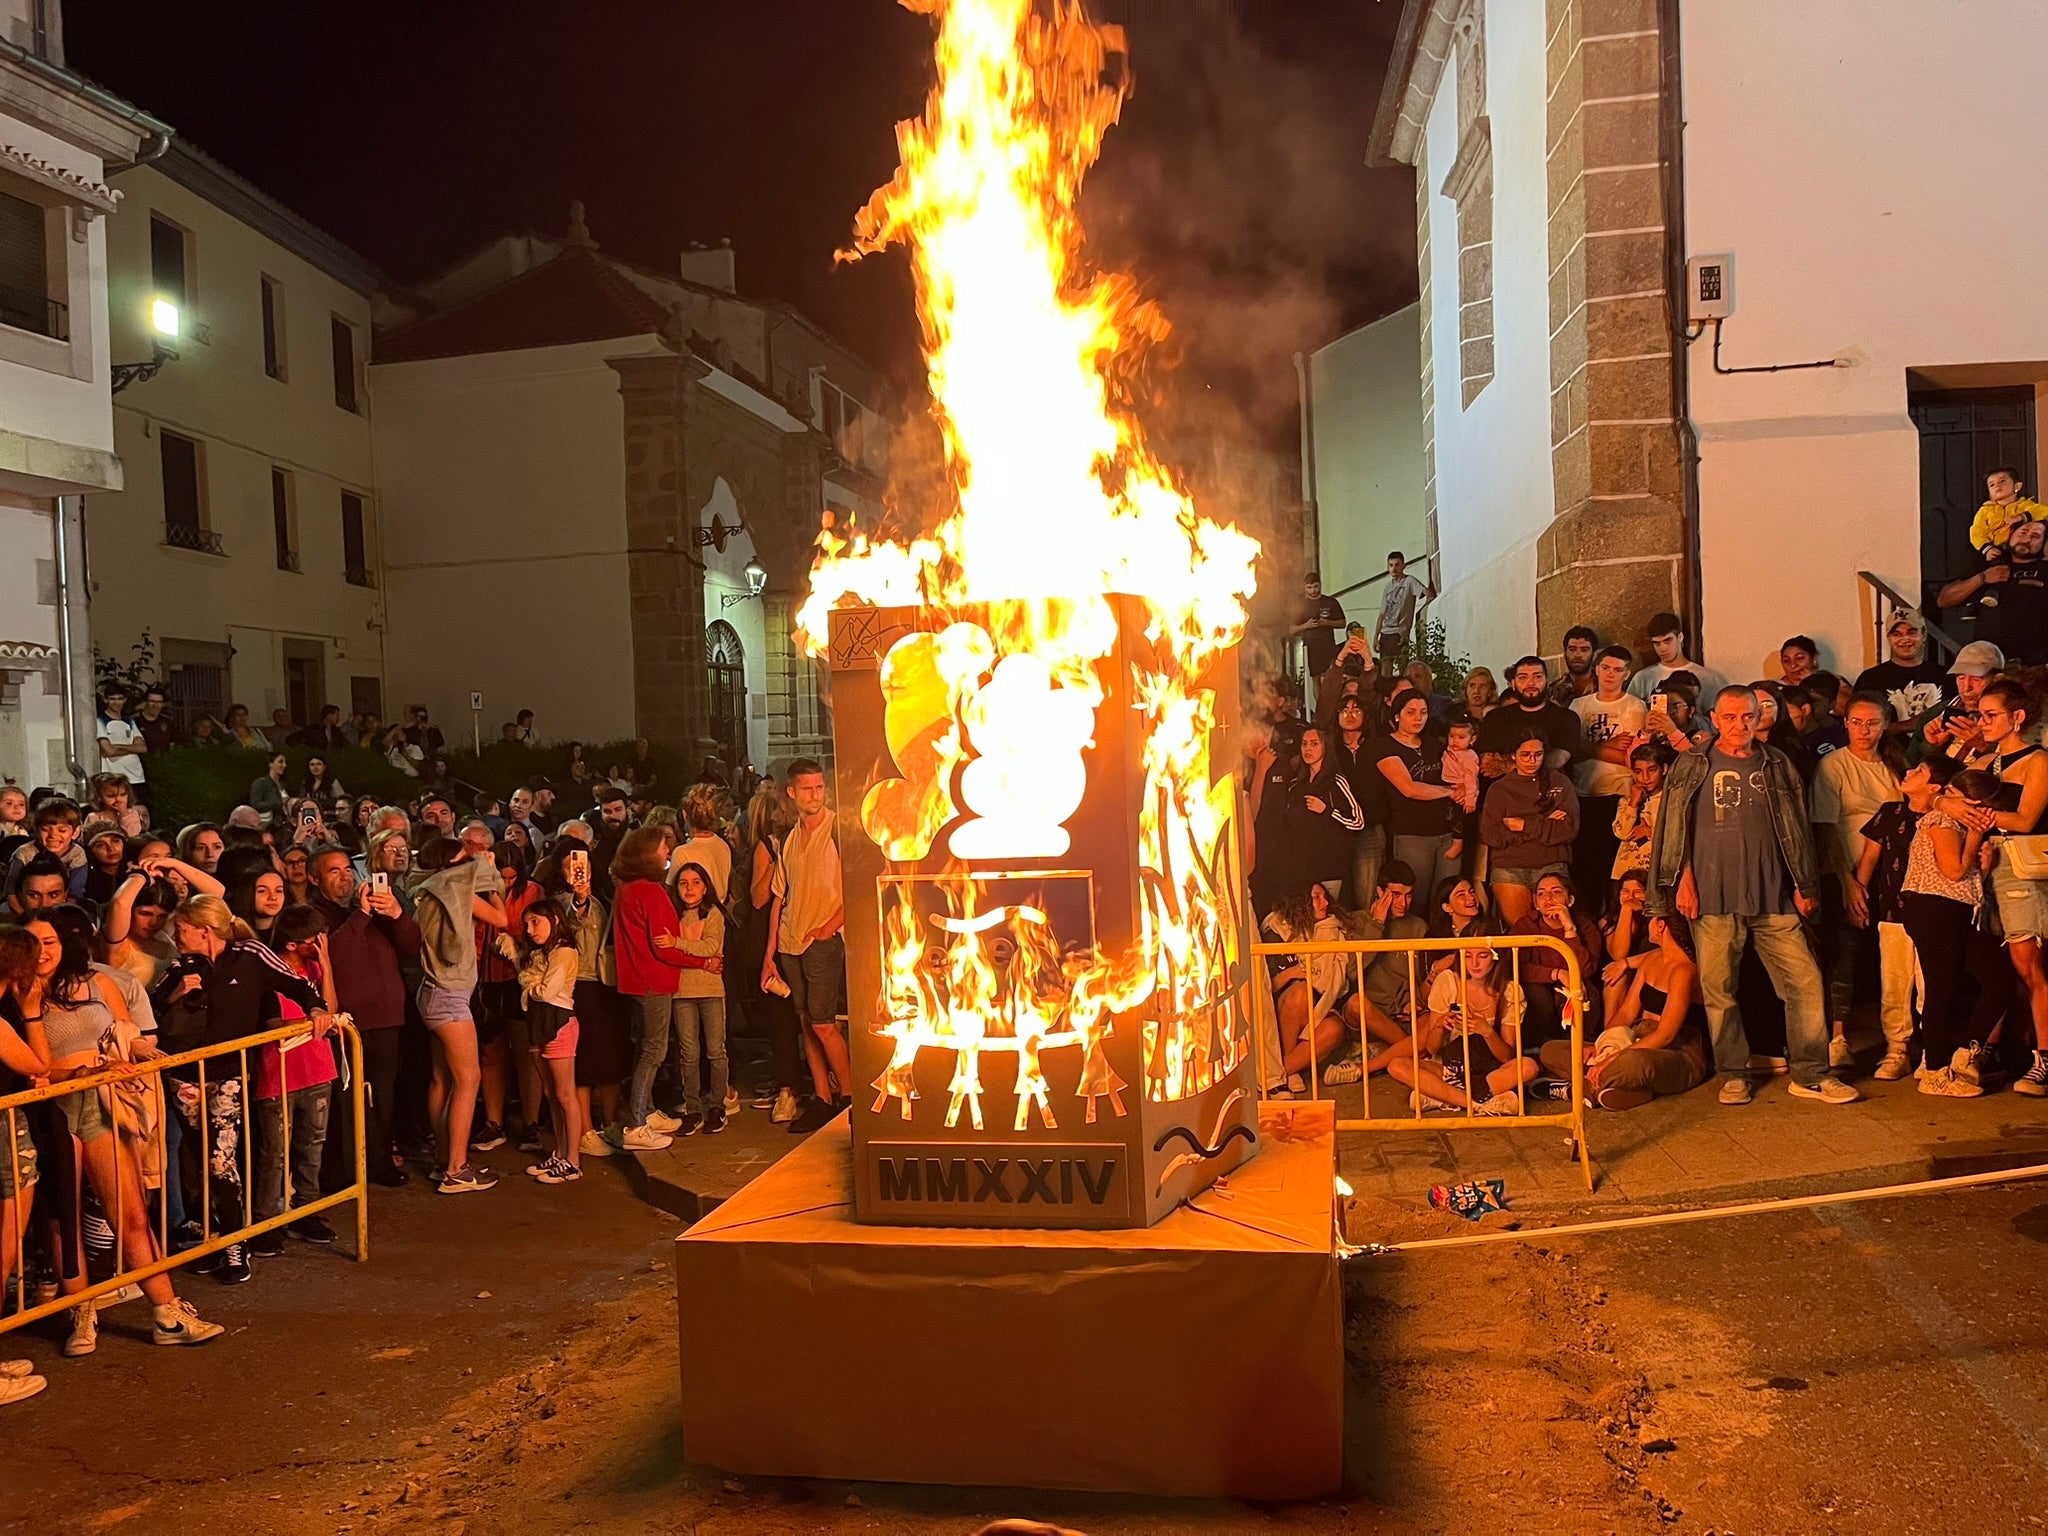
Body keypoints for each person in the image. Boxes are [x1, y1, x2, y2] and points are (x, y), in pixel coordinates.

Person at [20, 911, 227, 1348]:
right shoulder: (15, 996)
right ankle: (82, 1314)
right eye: (33, 942)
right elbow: (30, 1067)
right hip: (49, 1112)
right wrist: (79, 1066)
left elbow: (125, 1032)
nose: (44, 951)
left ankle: (166, 1312)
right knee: (64, 1219)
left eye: (51, 941)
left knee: (131, 1212)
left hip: (100, 1104)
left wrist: (136, 1053)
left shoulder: (97, 982)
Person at [1648, 685, 1856, 1106]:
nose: (1739, 725)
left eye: (1747, 716)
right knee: (1720, 991)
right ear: (1715, 717)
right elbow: (1671, 830)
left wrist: (1804, 885)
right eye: (1729, 717)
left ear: (1760, 717)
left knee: (1805, 983)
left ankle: (1811, 1073)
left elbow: (1797, 828)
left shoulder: (1777, 763)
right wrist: (1680, 883)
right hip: (1711, 898)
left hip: (1775, 898)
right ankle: (1734, 1074)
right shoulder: (1692, 763)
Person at [309, 845, 417, 1189]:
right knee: (345, 1097)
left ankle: (379, 1162)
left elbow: (413, 946)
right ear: (315, 878)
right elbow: (335, 955)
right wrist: (362, 915)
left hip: (386, 1015)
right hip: (344, 1020)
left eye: (346, 870)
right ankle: (342, 1171)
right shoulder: (314, 914)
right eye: (333, 871)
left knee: (384, 1094)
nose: (344, 877)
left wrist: (398, 914)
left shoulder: (374, 911)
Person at [1897, 768, 2005, 1098]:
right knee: (1940, 987)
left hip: (1951, 909)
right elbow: (1954, 871)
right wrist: (1975, 837)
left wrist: (1982, 865)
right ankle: (1934, 1072)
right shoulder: (1941, 822)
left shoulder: (1950, 821)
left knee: (1998, 977)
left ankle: (1962, 1052)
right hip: (1932, 908)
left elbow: (1965, 878)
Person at [1810, 693, 1903, 1073]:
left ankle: (1899, 1041)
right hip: (1843, 868)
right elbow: (1827, 828)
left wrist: (1864, 880)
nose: (1864, 730)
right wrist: (1850, 883)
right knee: (1844, 954)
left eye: (1872, 723)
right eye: (1856, 722)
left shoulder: (1895, 766)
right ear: (1845, 723)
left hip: (1890, 871)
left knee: (1894, 956)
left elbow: (1893, 822)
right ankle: (1837, 1039)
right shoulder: (1833, 766)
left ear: (1884, 725)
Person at [1965, 679, 2048, 1096]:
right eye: (1980, 715)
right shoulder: (1983, 761)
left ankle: (2044, 1059)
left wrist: (1982, 818)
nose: (1983, 722)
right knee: (2000, 966)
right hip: (1988, 868)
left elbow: (2027, 819)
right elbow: (1948, 793)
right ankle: (1999, 1047)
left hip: (2023, 869)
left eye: (1990, 715)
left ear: (2017, 717)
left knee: (2028, 963)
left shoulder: (2037, 761)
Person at [409, 835, 506, 1192]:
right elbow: (501, 916)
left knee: (442, 1080)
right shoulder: (458, 890)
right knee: (469, 1080)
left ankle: (442, 1159)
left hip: (430, 991)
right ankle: (456, 1168)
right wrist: (491, 875)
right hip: (451, 997)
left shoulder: (426, 891)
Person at [1849, 757, 1953, 1085]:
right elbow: (1870, 856)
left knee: (1928, 984)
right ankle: (1896, 1048)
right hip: (1893, 911)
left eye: (1920, 771)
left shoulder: (1944, 818)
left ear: (1935, 787)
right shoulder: (1891, 812)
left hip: (1933, 915)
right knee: (1894, 981)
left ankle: (1931, 1051)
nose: (1908, 773)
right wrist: (1859, 893)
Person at [1543, 911, 1710, 1111]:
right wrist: (1602, 1046)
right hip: (1634, 1039)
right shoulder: (1652, 959)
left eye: (1651, 920)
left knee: (1634, 1062)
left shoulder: (1684, 970)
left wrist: (1612, 1059)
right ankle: (1624, 1089)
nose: (1647, 925)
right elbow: (1625, 1014)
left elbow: (1666, 1035)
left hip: (1674, 1052)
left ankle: (1580, 1088)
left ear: (1661, 926)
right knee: (1550, 1050)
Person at [249, 903, 341, 1253]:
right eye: (314, 940)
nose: (319, 944)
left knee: (311, 1146)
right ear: (291, 944)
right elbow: (268, 1022)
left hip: (318, 1069)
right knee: (274, 1153)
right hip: (279, 1074)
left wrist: (327, 965)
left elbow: (330, 1008)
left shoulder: (316, 968)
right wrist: (305, 1023)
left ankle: (307, 1210)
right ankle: (267, 1220)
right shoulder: (269, 974)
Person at [765, 760, 850, 1135]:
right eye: (808, 789)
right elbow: (779, 898)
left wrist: (829, 929)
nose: (815, 795)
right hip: (791, 940)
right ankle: (823, 1097)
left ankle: (848, 1096)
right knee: (806, 1022)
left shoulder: (837, 829)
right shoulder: (790, 838)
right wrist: (769, 952)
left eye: (819, 788)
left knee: (823, 1022)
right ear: (792, 793)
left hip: (820, 941)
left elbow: (856, 884)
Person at [1381, 942, 1534, 1115]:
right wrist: (1441, 1026)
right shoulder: (1448, 980)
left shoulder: (1509, 990)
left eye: (1482, 956)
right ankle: (1476, 1104)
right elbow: (1431, 1048)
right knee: (1397, 1065)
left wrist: (1487, 1031)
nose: (1474, 963)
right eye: (1468, 955)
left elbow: (1507, 1056)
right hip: (1449, 1068)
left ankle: (1442, 1097)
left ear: (1495, 957)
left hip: (1488, 1070)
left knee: (1528, 1067)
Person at [607, 827, 688, 1149]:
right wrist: (703, 961)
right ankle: (637, 1123)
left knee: (644, 1047)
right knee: (654, 1051)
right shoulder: (651, 891)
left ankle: (648, 1110)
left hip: (635, 981)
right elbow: (664, 946)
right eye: (661, 848)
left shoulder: (625, 888)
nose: (667, 852)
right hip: (655, 979)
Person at [1260, 883, 1362, 1095]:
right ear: (1301, 904)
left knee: (1335, 1028)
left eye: (1325, 897)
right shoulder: (1276, 932)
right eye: (1317, 898)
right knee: (1301, 992)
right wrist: (1291, 973)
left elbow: (1339, 985)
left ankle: (1283, 1071)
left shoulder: (1334, 931)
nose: (1325, 903)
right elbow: (1261, 990)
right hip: (1281, 1021)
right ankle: (1286, 1067)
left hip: (1318, 1012)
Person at [741, 782, 802, 1125]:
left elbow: (760, 898)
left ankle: (801, 1087)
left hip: (791, 937)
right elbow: (760, 898)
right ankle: (790, 1087)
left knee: (799, 1017)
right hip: (779, 940)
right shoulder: (771, 847)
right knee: (787, 1018)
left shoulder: (798, 846)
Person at [515, 897, 585, 1182]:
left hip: (558, 1022)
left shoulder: (564, 952)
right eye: (527, 924)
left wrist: (529, 983)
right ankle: (561, 1151)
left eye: (536, 922)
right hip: (539, 1022)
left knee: (565, 1094)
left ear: (554, 920)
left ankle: (573, 1161)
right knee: (551, 1094)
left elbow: (546, 990)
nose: (530, 930)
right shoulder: (543, 953)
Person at [1569, 645, 1646, 902]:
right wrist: (1606, 746)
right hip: (1583, 793)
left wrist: (1586, 746)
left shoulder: (1635, 706)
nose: (1610, 674)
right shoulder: (1578, 705)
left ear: (1627, 673)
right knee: (1585, 870)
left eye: (1618, 670)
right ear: (1596, 669)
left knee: (1614, 869)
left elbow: (1630, 757)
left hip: (1618, 795)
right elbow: (1571, 750)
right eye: (1605, 668)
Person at [1481, 730, 1581, 924]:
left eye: (1538, 754)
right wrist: (1544, 822)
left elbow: (1568, 829)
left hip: (1551, 863)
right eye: (1525, 755)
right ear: (1513, 755)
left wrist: (1523, 825)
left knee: (1555, 925)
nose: (1532, 760)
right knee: (1522, 930)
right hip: (1509, 867)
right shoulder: (1499, 789)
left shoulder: (1559, 782)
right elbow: (1492, 835)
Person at [1374, 688, 1460, 899]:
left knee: (1446, 897)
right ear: (1397, 715)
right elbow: (1409, 789)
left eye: (1423, 712)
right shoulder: (1384, 746)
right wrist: (1450, 791)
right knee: (1415, 897)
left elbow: (1458, 776)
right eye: (1411, 712)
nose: (1418, 717)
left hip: (1447, 833)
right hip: (1412, 834)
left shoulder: (1435, 745)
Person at [664, 861, 730, 1135]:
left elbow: (711, 946)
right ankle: (693, 1109)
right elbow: (675, 954)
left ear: (705, 887)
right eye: (683, 882)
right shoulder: (671, 915)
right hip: (681, 991)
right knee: (688, 1053)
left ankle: (717, 1106)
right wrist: (698, 956)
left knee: (716, 1050)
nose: (689, 888)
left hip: (711, 989)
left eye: (696, 882)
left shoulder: (713, 913)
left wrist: (678, 943)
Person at [1938, 515, 2048, 666]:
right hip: (1990, 665)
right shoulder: (1986, 567)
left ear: (2043, 543)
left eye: (2035, 536)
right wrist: (1982, 578)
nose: (2027, 539)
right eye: (2023, 532)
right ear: (2010, 535)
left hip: (2037, 667)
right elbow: (1944, 600)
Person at [1283, 726, 1366, 900]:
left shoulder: (1336, 781)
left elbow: (1358, 821)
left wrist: (1327, 811)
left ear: (1325, 747)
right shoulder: (1295, 785)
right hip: (1301, 870)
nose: (1308, 749)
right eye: (1304, 744)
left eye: (1314, 744)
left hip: (1329, 869)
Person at [1475, 657, 1581, 782]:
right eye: (1523, 677)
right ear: (1513, 684)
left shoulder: (1567, 719)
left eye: (1537, 677)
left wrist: (1509, 765)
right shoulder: (1494, 718)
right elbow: (1487, 762)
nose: (1530, 683)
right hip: (1501, 795)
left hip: (1549, 795)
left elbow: (1557, 760)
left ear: (1546, 681)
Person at [1327, 694, 1388, 909]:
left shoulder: (1378, 746)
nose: (1350, 714)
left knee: (1366, 896)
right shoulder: (1329, 748)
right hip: (1336, 829)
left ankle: (1367, 940)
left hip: (1370, 829)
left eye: (1356, 710)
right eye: (1344, 710)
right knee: (1337, 899)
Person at [1855, 609, 1947, 726]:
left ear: (1923, 635)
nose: (1905, 639)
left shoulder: (1944, 676)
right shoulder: (1870, 679)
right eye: (1896, 634)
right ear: (1888, 638)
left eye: (1911, 632)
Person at [1627, 612, 1728, 703]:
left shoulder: (1709, 679)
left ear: (1680, 637)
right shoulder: (1643, 678)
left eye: (1667, 641)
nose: (1662, 648)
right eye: (1657, 643)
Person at [1967, 466, 2048, 557]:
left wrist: (2022, 517)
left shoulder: (2025, 505)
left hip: (2020, 547)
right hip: (1996, 550)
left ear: (2017, 486)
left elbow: (2044, 511)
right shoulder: (1985, 510)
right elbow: (1976, 531)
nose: (1997, 485)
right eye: (1992, 485)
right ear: (1990, 494)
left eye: (2002, 481)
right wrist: (1987, 548)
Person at [1291, 571, 1348, 689]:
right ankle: (1319, 707)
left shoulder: (1331, 602)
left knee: (1329, 677)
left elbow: (1342, 623)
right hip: (1310, 648)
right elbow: (1291, 629)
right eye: (1309, 587)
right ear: (1305, 588)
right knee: (1315, 679)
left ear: (1320, 585)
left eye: (1315, 586)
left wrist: (1327, 623)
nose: (1313, 590)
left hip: (1328, 646)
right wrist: (1306, 625)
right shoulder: (1300, 605)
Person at [1375, 551, 1433, 664]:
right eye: (1391, 565)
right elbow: (1382, 614)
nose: (1394, 568)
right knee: (1385, 668)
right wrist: (1376, 637)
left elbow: (1425, 591)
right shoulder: (1387, 587)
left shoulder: (1409, 581)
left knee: (1403, 666)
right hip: (1385, 633)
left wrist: (1429, 599)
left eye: (1397, 565)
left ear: (1403, 565)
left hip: (1399, 632)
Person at [96, 687, 148, 798]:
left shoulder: (129, 720)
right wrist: (132, 747)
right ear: (106, 700)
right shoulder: (100, 721)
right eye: (112, 699)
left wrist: (117, 746)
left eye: (119, 699)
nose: (116, 702)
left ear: (124, 700)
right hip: (114, 777)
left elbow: (143, 747)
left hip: (136, 776)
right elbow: (108, 751)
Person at [1548, 626, 1600, 704]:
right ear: (1565, 654)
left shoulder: (1604, 685)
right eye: (1572, 649)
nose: (1577, 655)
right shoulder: (1553, 691)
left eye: (1584, 650)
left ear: (1594, 655)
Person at [135, 687, 181, 756]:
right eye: (152, 701)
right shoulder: (134, 721)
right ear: (145, 702)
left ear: (163, 704)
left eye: (159, 702)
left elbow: (174, 744)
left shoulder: (168, 723)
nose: (155, 705)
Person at [248, 752, 290, 824]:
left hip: (283, 823)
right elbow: (255, 804)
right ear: (270, 764)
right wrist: (279, 803)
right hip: (269, 824)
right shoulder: (261, 783)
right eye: (280, 762)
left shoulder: (283, 784)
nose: (284, 765)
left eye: (285, 762)